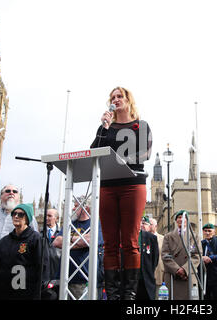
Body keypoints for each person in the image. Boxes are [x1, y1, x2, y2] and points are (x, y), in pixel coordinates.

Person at [90, 87, 152, 300]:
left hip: (132, 185)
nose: (116, 100)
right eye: (113, 97)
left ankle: (130, 295)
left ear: (128, 100)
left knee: (130, 241)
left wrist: (121, 160)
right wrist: (103, 127)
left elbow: (144, 153)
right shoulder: (107, 127)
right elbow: (94, 151)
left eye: (120, 96)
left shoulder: (140, 126)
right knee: (109, 243)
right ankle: (114, 295)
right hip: (107, 186)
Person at [0, 184, 39, 299]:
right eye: (7, 191)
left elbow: (35, 243)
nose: (11, 193)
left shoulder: (29, 218)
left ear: (18, 198)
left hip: (15, 277)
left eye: (15, 191)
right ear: (1, 196)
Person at [0, 203, 46, 300]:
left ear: (27, 218)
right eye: (14, 213)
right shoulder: (4, 241)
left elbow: (41, 269)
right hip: (3, 293)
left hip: (25, 293)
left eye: (20, 214)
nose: (16, 216)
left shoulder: (36, 239)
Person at [53, 201, 104, 300]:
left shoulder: (97, 224)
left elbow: (90, 240)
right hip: (65, 279)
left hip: (85, 280)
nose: (73, 209)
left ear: (86, 208)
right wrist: (81, 240)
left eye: (76, 206)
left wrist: (68, 240)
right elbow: (57, 242)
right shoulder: (69, 224)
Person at [161, 210, 201, 300]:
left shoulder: (194, 236)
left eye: (183, 217)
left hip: (188, 274)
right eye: (179, 218)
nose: (181, 220)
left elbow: (197, 255)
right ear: (176, 220)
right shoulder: (168, 236)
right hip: (173, 275)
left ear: (187, 220)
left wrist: (185, 269)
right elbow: (165, 255)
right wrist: (177, 269)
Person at [136, 216, 159, 300]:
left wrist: (148, 271)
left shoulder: (151, 238)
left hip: (146, 280)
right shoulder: (127, 235)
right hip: (131, 280)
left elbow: (155, 259)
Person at [149, 217, 165, 299]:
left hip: (159, 274)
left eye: (150, 224)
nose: (148, 226)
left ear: (156, 226)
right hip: (146, 276)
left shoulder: (163, 239)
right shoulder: (143, 238)